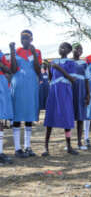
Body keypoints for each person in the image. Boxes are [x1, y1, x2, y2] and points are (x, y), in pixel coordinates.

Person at [10, 30, 42, 158]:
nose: (24, 41)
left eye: (27, 38)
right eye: (22, 38)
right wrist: (12, 51)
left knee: (29, 116)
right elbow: (12, 69)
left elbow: (38, 70)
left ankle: (28, 146)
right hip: (18, 85)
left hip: (31, 86)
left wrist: (34, 54)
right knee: (17, 116)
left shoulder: (37, 51)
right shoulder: (17, 51)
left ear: (32, 39)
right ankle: (17, 148)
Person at [42, 42, 78, 156]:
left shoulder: (71, 63)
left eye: (64, 47)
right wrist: (49, 69)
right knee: (50, 117)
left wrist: (60, 69)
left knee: (67, 117)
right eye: (60, 47)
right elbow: (51, 78)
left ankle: (69, 146)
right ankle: (45, 147)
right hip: (54, 90)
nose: (61, 49)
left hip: (65, 91)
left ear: (69, 50)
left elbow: (72, 79)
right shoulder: (53, 62)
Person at [71, 43, 90, 150]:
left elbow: (87, 79)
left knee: (80, 117)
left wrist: (88, 94)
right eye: (76, 48)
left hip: (81, 91)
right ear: (72, 50)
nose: (79, 50)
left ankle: (79, 142)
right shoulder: (68, 62)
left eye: (81, 49)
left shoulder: (84, 64)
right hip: (70, 91)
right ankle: (68, 143)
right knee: (69, 116)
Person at [0, 50, 13, 164]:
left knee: (0, 120)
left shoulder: (1, 54)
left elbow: (8, 70)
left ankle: (0, 152)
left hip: (2, 84)